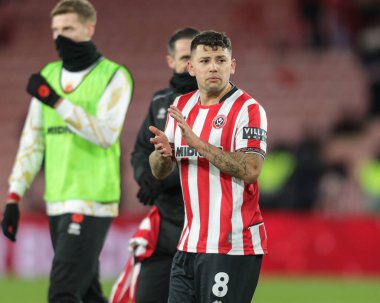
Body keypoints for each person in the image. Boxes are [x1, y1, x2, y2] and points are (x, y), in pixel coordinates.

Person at [0, 0, 133, 302]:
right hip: (57, 200)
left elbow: (105, 135)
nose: (60, 37)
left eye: (68, 29)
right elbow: (32, 142)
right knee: (87, 293)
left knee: (62, 291)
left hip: (92, 199)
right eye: (56, 30)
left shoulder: (113, 76)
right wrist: (13, 197)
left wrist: (57, 102)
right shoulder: (48, 75)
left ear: (89, 29)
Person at [149, 31, 268, 303]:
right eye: (204, 61)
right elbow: (160, 170)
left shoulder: (248, 110)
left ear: (232, 65)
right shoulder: (181, 105)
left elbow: (251, 169)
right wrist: (161, 155)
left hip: (232, 246)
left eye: (220, 59)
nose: (213, 66)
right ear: (191, 67)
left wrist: (198, 143)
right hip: (189, 244)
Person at [125, 27, 199, 303]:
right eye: (184, 58)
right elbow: (140, 150)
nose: (190, 65)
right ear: (170, 61)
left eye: (196, 58)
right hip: (166, 225)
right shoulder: (159, 102)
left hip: (202, 226)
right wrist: (145, 177)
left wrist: (161, 180)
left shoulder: (216, 104)